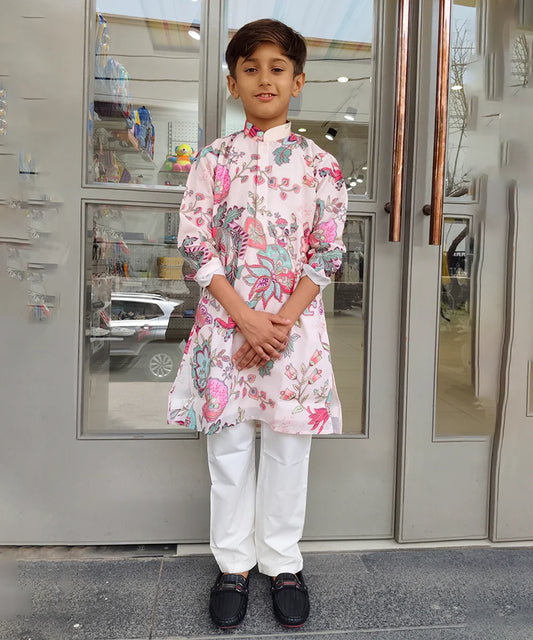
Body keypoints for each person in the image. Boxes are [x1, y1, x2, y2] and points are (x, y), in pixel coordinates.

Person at [168, 18, 347, 630]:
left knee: (289, 450)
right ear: (232, 82)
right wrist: (246, 320)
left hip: (293, 334)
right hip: (226, 327)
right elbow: (195, 243)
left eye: (277, 68)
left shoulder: (321, 167)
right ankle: (233, 565)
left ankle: (283, 562)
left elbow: (327, 254)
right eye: (251, 69)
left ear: (298, 81)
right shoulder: (213, 160)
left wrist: (279, 325)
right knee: (229, 450)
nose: (264, 79)